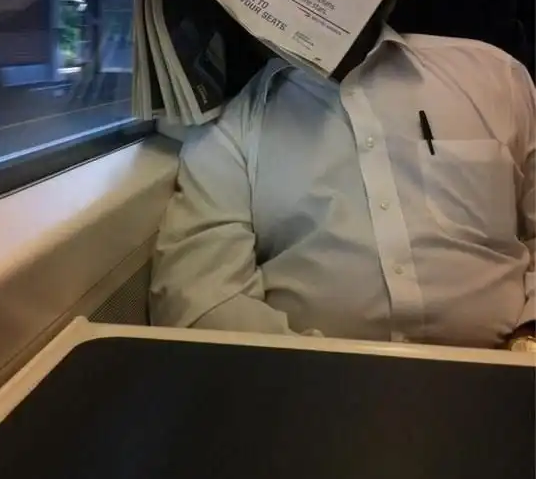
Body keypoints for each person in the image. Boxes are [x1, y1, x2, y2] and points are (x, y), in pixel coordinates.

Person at [150, 24, 536, 350]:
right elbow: (201, 298)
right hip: (312, 391)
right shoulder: (229, 126)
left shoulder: (496, 77)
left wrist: (529, 337)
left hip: (510, 371)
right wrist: (326, 378)